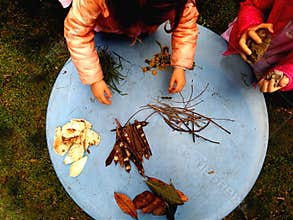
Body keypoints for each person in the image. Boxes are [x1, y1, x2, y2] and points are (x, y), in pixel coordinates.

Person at [59, 0, 199, 105]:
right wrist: (94, 79)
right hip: (108, 25)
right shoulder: (91, 2)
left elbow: (185, 24)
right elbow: (77, 33)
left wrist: (181, 64)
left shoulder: (175, 3)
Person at [222, 0, 293, 93]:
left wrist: (287, 73)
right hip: (234, 44)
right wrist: (249, 26)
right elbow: (254, 4)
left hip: (259, 73)